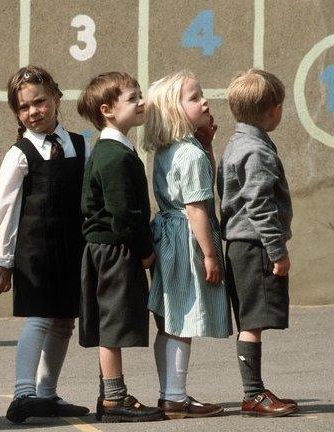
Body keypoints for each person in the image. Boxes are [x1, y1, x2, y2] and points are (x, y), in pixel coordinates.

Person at [0, 65, 90, 424]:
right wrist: (5, 258)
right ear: (17, 112)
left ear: (56, 98)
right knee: (38, 317)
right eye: (24, 107)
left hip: (71, 247)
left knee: (64, 320)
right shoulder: (20, 153)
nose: (34, 112)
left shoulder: (80, 145)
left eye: (40, 102)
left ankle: (47, 394)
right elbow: (6, 208)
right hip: (35, 252)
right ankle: (23, 392)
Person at [143, 70, 231, 419]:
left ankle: (170, 393)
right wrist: (210, 254)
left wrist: (208, 144)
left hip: (166, 234)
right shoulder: (190, 155)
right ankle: (176, 396)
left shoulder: (170, 151)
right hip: (186, 239)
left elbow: (199, 187)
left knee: (168, 321)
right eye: (194, 97)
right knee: (183, 319)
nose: (204, 101)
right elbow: (198, 207)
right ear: (174, 112)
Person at [76, 71, 163, 423]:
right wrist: (144, 250)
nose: (141, 102)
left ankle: (107, 393)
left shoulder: (112, 150)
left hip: (105, 249)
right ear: (107, 110)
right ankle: (114, 399)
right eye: (132, 98)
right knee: (111, 326)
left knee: (108, 323)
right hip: (114, 250)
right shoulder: (114, 157)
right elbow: (124, 214)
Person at [218, 68, 297, 417]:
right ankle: (253, 394)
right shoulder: (257, 152)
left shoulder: (236, 143)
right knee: (252, 322)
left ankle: (255, 391)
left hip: (240, 245)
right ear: (274, 110)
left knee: (251, 320)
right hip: (254, 247)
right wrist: (277, 251)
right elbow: (259, 204)